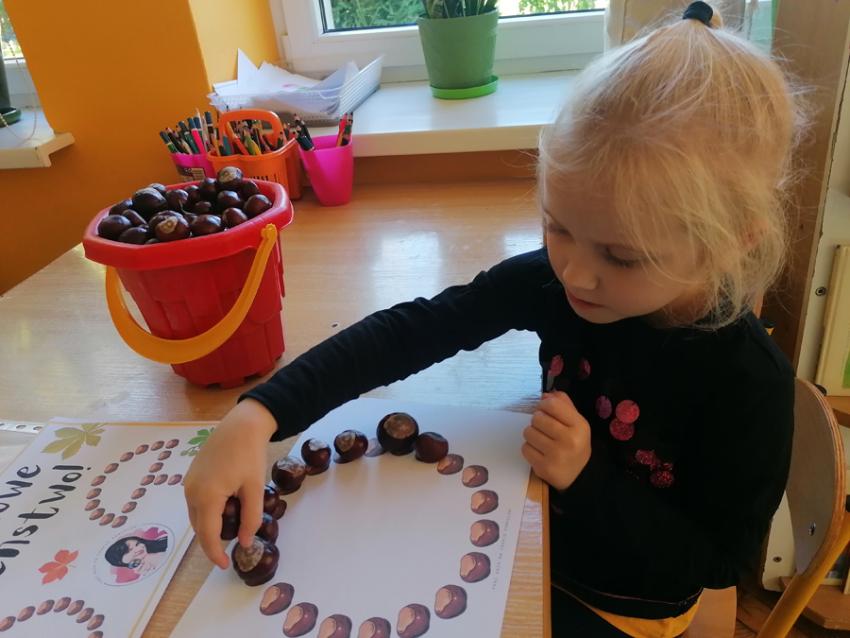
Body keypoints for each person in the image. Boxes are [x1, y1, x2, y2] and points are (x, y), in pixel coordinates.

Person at [184, 2, 805, 635]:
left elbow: (714, 563)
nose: (574, 274)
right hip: (520, 525)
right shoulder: (557, 278)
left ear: (732, 243)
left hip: (622, 601)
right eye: (557, 227)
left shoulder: (749, 383)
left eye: (621, 257)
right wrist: (259, 414)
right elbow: (416, 330)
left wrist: (587, 480)